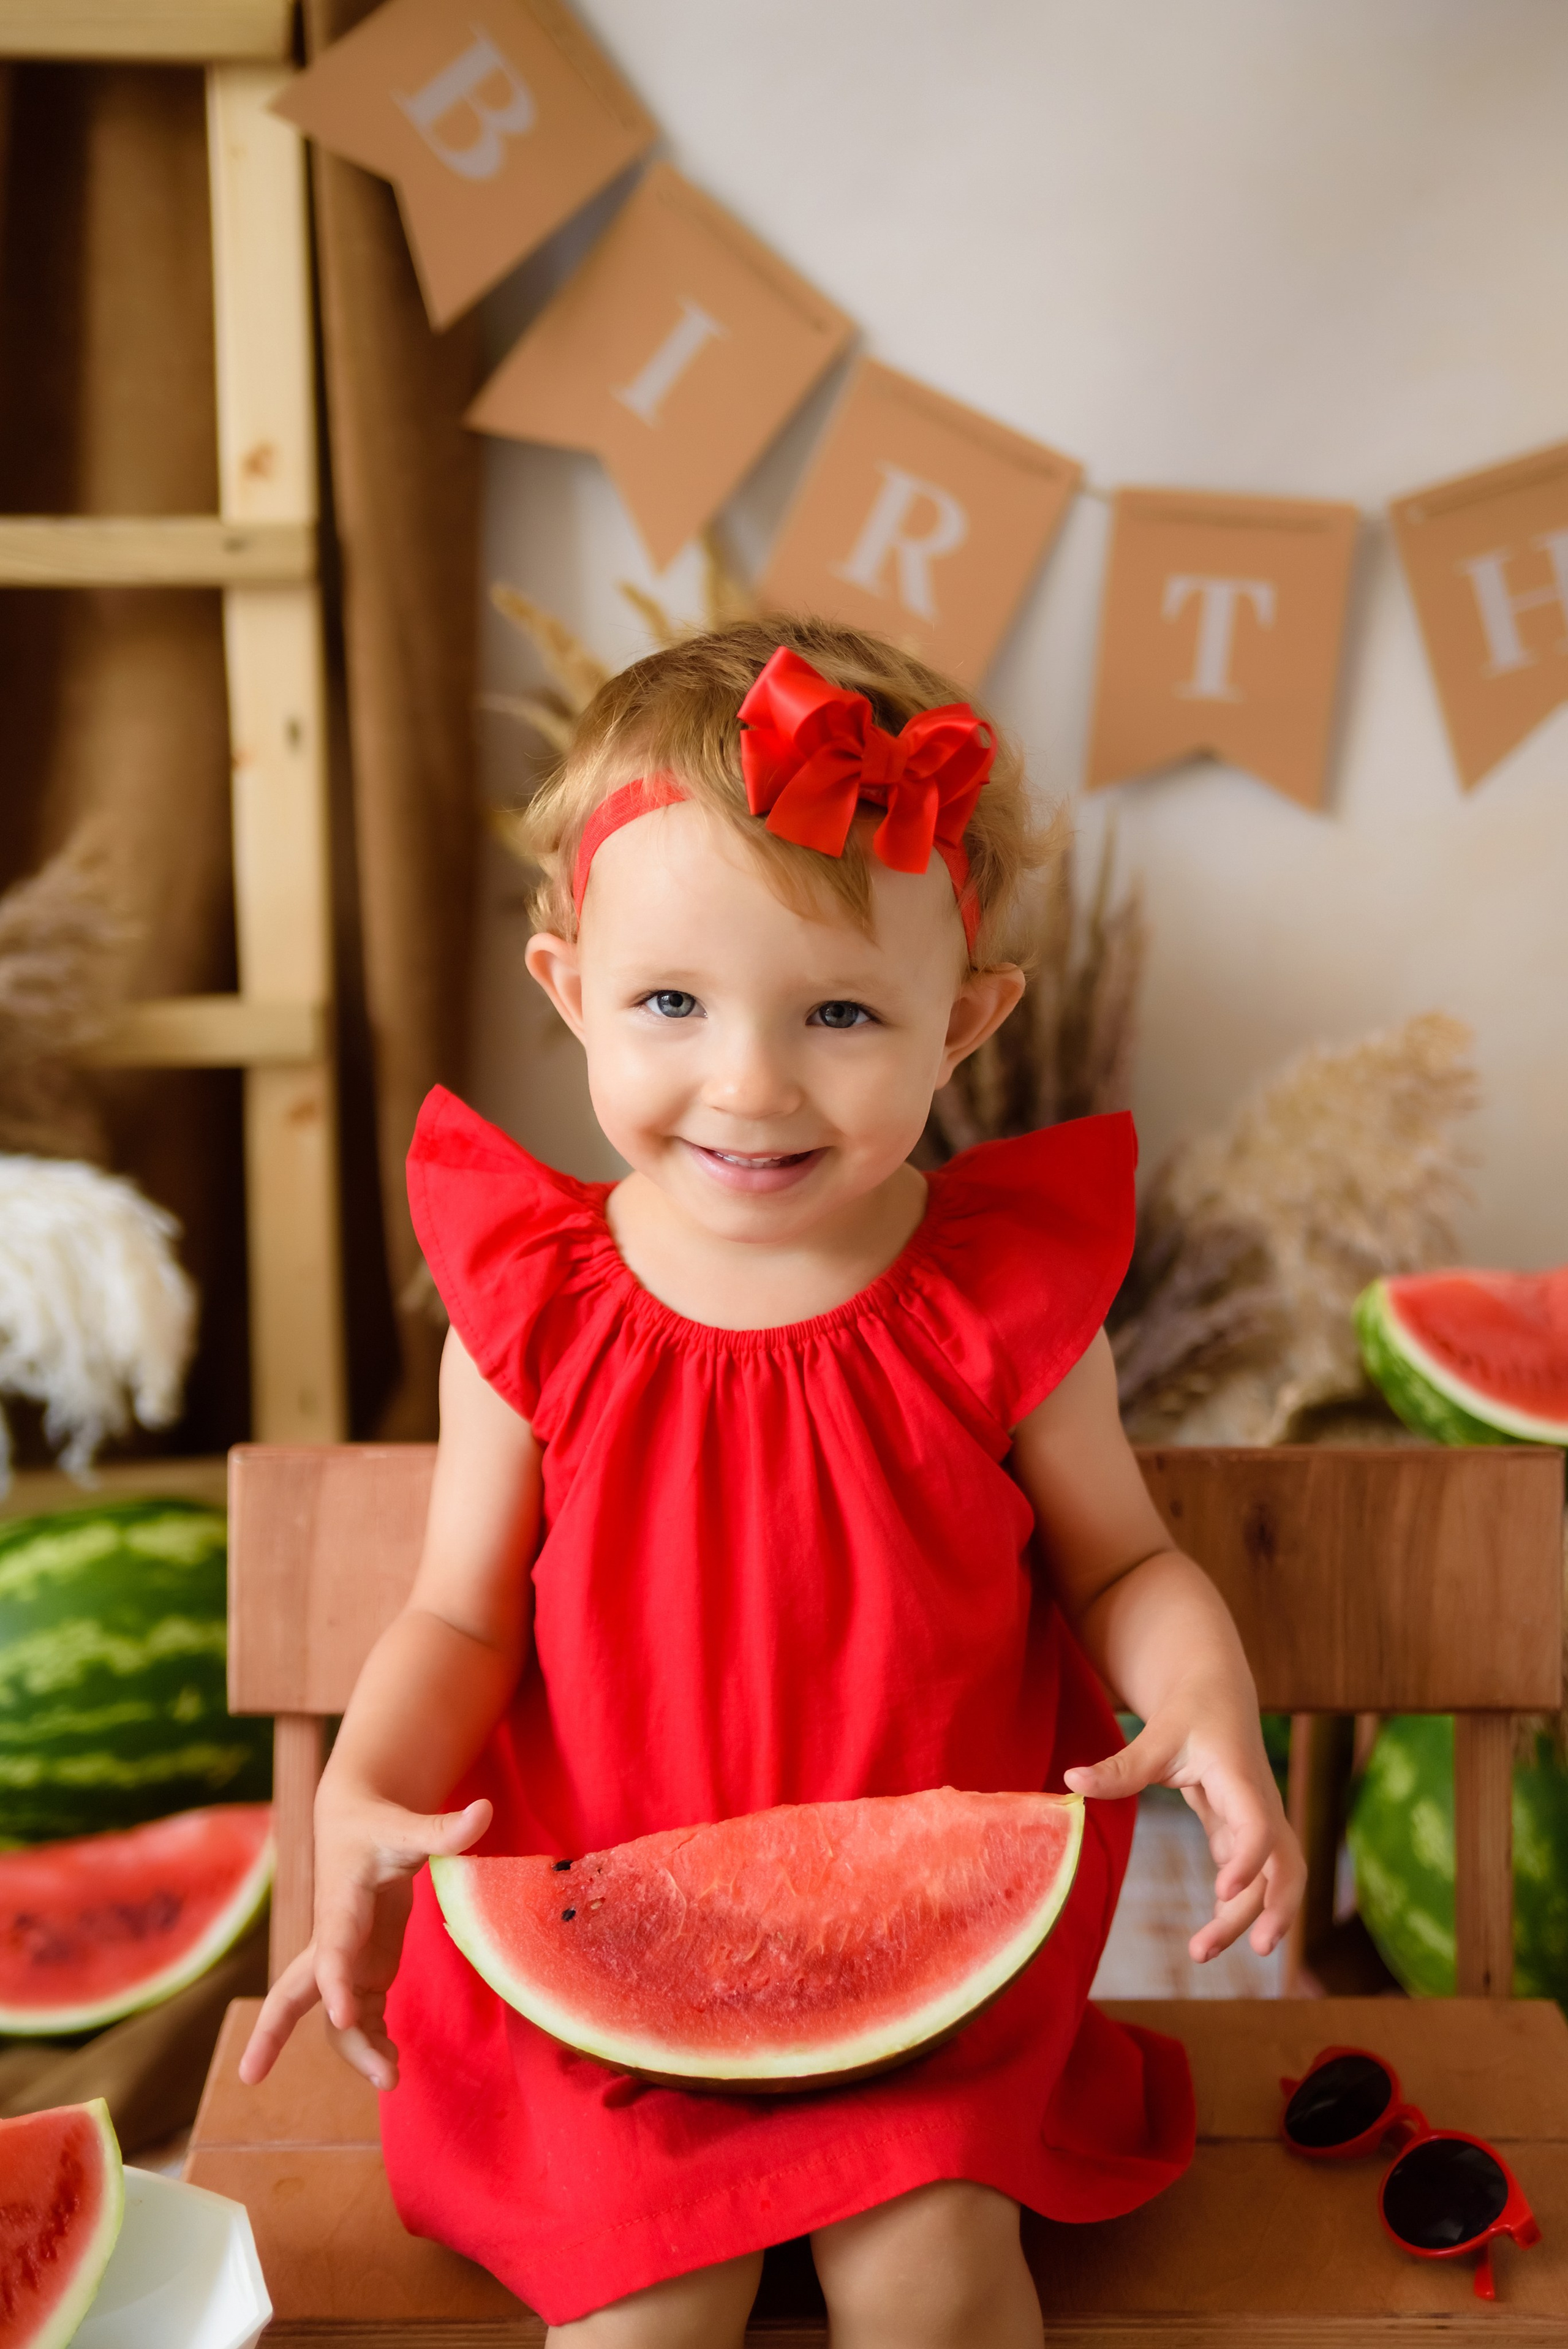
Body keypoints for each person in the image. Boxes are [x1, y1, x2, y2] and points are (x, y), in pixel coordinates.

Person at [241, 619, 1304, 2348]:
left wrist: (1205, 1700)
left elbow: (1124, 1568)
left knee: (939, 2282)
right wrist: (360, 1796)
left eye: (839, 1012)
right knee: (650, 2314)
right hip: (592, 1988)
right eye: (672, 1002)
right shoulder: (534, 1309)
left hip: (924, 2001)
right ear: (569, 990)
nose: (750, 1081)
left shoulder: (995, 1302)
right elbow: (456, 1613)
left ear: (963, 1023)